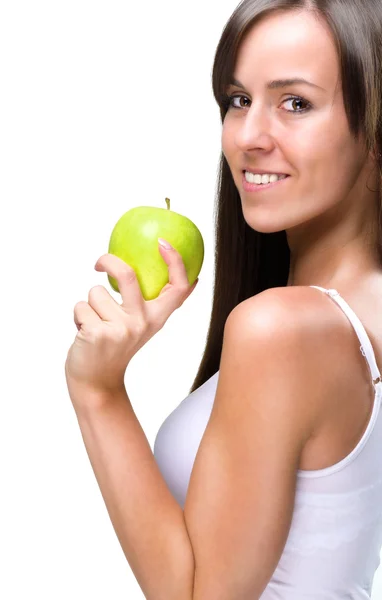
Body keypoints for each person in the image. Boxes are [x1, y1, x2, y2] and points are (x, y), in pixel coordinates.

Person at [153, 0, 382, 597]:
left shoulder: (280, 327)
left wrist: (97, 392)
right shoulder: (353, 309)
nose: (249, 137)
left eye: (296, 103)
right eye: (238, 100)